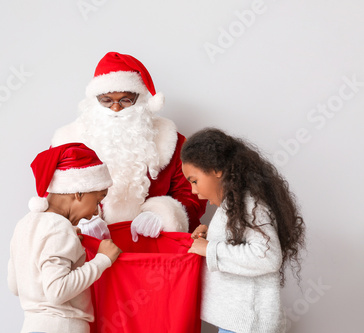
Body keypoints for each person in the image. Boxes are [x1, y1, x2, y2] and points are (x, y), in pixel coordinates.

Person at [51, 51, 207, 241]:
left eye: (126, 100)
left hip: (153, 249)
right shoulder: (67, 141)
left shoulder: (171, 140)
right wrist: (78, 219)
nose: (115, 108)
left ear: (140, 100)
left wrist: (163, 215)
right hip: (88, 250)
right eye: (106, 100)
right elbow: (52, 197)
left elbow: (193, 192)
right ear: (95, 100)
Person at [182, 128, 305, 333]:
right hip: (239, 323)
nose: (194, 191)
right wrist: (208, 239)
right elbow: (237, 243)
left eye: (194, 181)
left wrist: (210, 249)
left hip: (248, 325)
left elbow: (267, 256)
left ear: (216, 170)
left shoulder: (248, 204)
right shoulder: (233, 205)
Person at [8, 143, 122, 333]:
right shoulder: (60, 228)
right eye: (98, 201)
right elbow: (57, 291)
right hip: (63, 326)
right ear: (79, 192)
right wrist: (103, 260)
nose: (96, 212)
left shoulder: (24, 225)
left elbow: (14, 286)